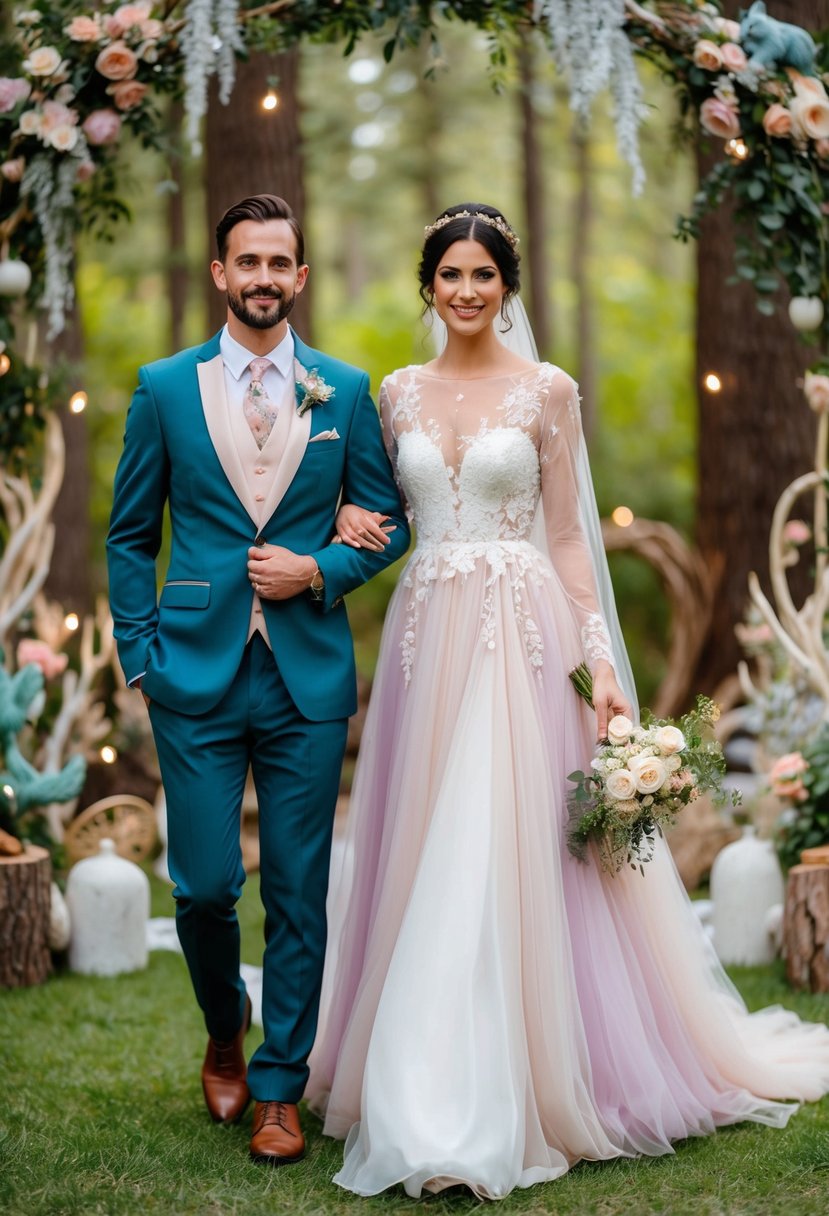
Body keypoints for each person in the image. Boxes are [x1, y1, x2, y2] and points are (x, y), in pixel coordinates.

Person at [306, 203, 829, 1200]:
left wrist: (605, 678)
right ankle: (416, 1075)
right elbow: (376, 509)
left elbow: (563, 542)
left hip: (523, 636)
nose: (466, 290)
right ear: (429, 286)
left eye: (483, 275)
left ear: (507, 287)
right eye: (449, 275)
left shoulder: (548, 391)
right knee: (425, 843)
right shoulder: (395, 394)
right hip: (427, 640)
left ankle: (513, 1082)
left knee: (509, 843)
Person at [106, 194, 409, 1167]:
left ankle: (280, 1083)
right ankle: (224, 1023)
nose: (265, 278)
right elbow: (128, 532)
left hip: (305, 676)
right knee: (201, 886)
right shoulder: (161, 388)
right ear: (220, 275)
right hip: (189, 668)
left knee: (298, 887)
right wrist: (137, 648)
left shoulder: (346, 391)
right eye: (249, 262)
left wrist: (319, 568)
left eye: (281, 262)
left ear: (302, 276)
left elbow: (389, 520)